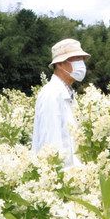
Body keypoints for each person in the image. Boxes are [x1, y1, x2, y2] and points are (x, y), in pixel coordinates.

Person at [32, 38, 90, 168]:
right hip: (59, 178)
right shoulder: (51, 94)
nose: (80, 64)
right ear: (59, 64)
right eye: (75, 58)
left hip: (74, 174)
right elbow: (50, 144)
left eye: (81, 59)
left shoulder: (68, 93)